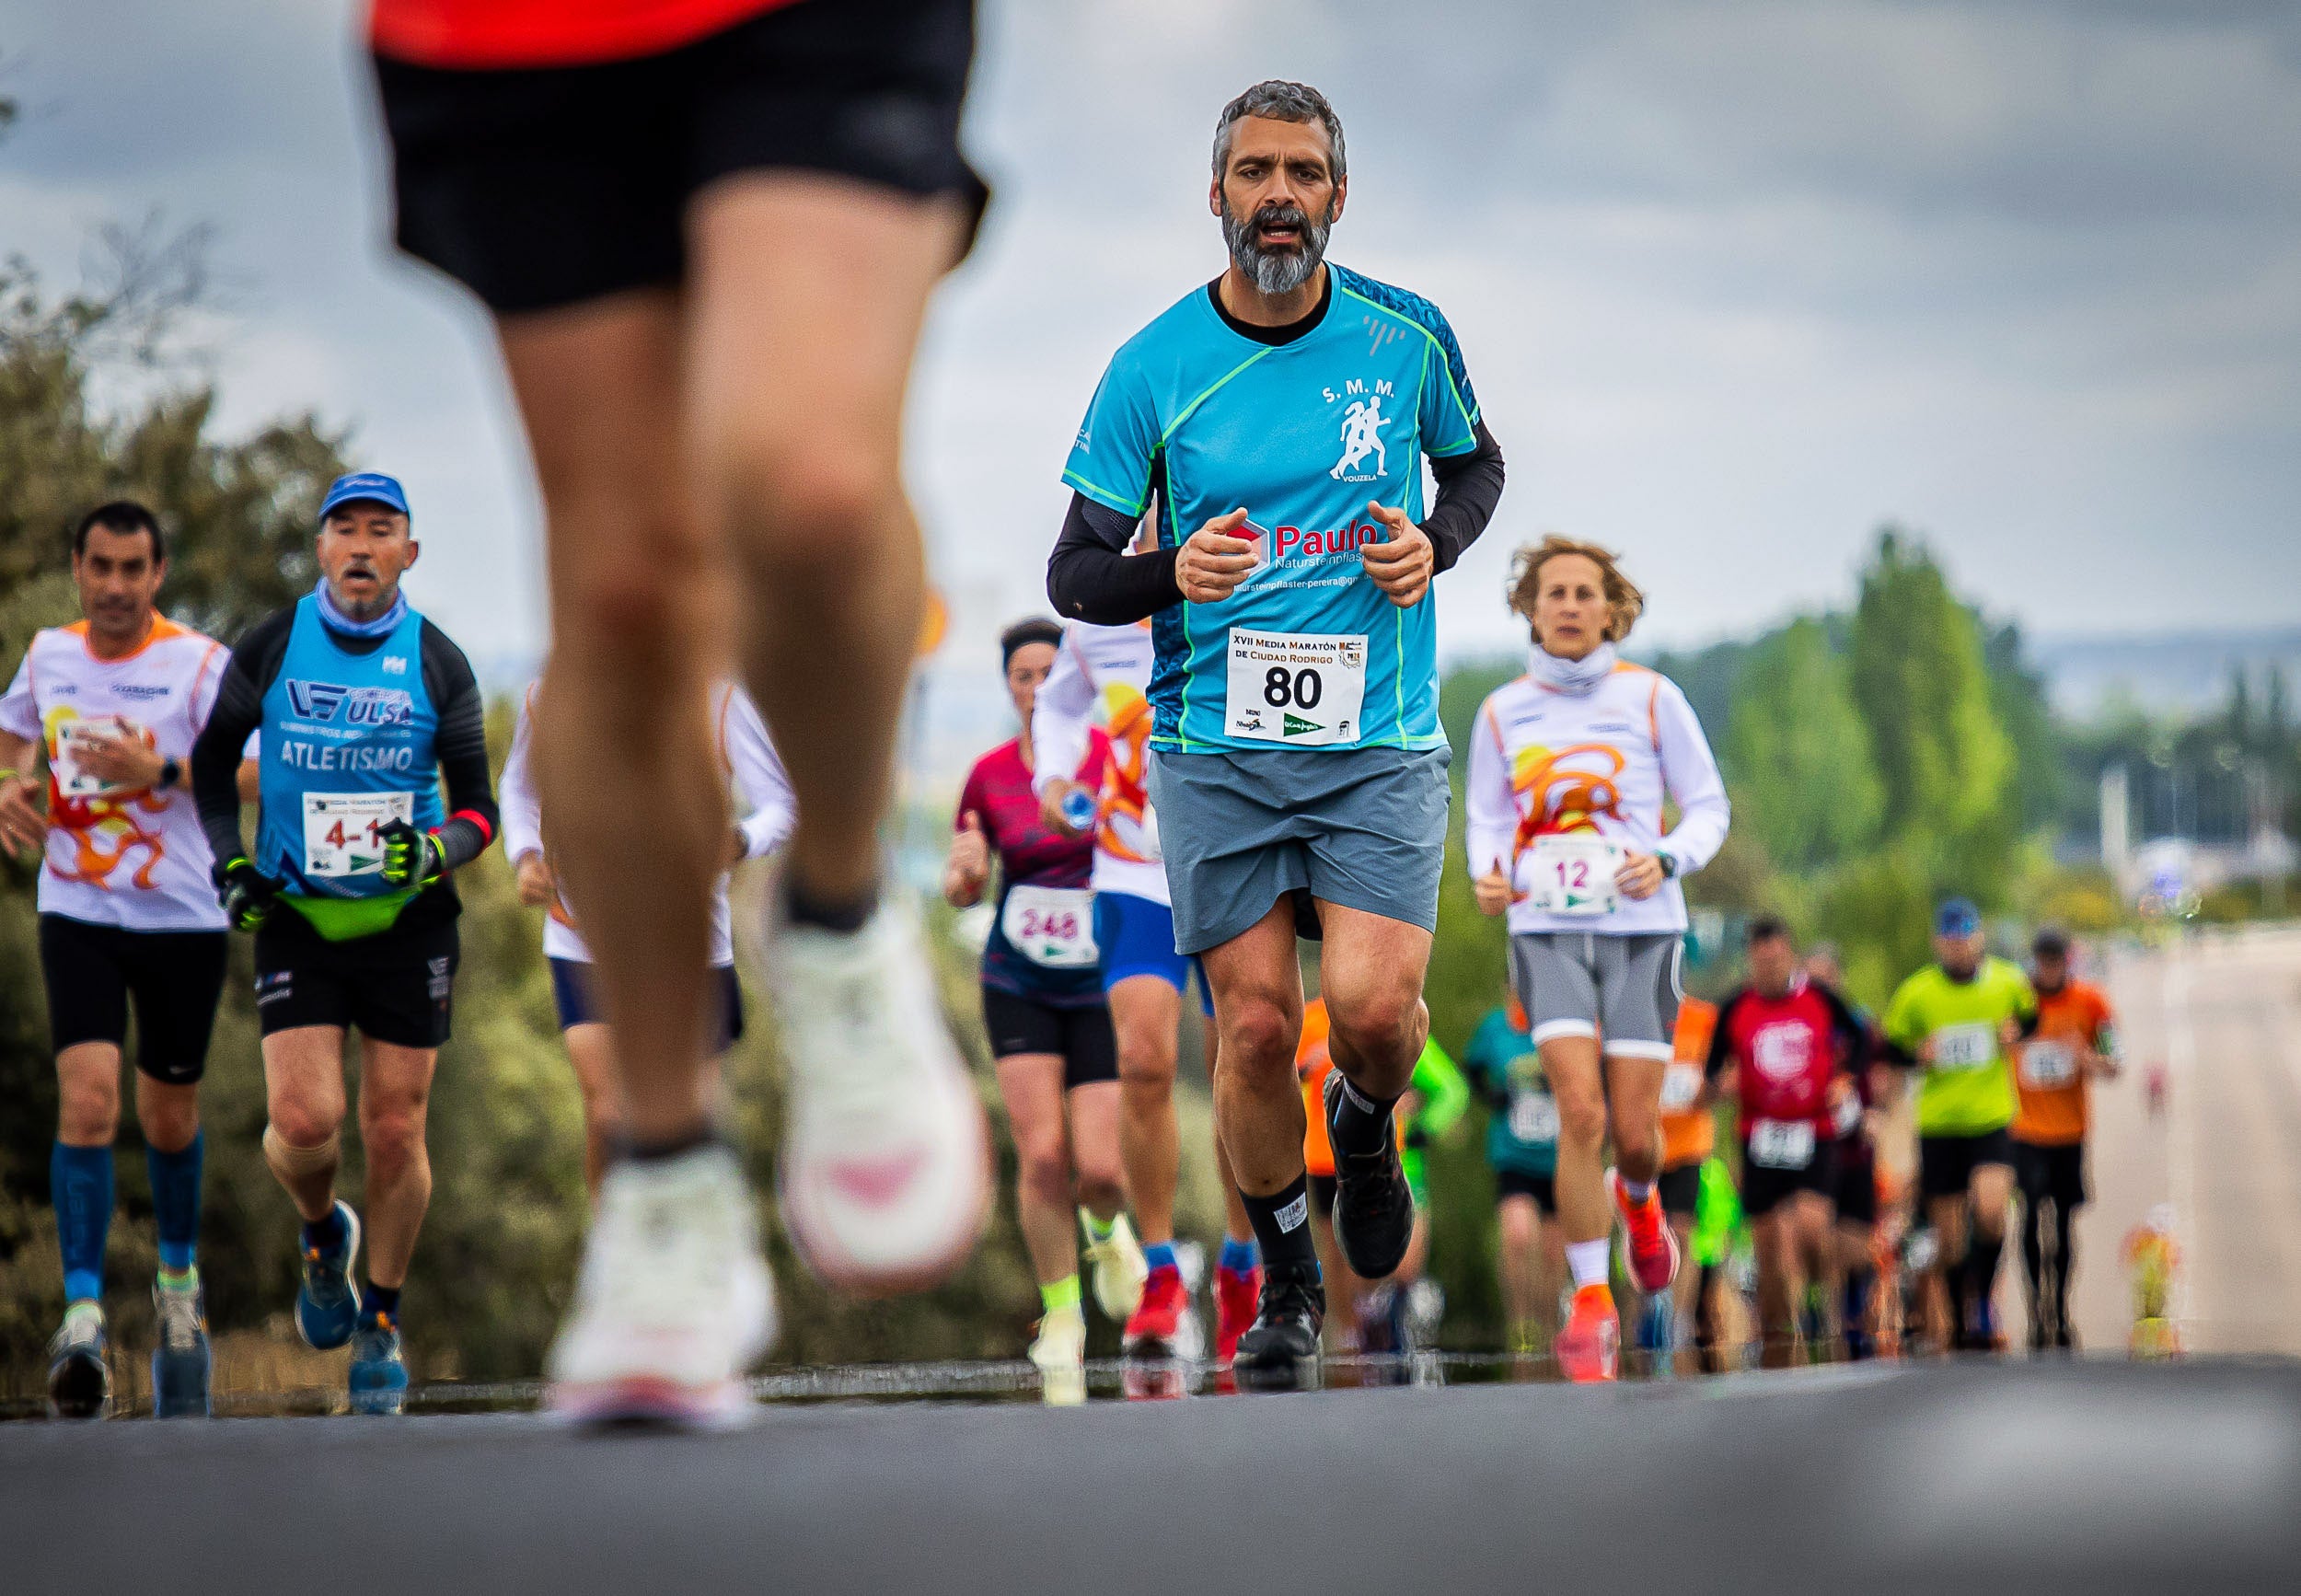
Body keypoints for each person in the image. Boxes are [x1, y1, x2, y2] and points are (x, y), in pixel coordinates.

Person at [366, 0, 996, 1422]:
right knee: (628, 593)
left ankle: (838, 924)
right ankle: (667, 1177)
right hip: (528, 37)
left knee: (808, 488)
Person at [1046, 80, 1507, 1382]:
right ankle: (1288, 1280)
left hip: (1376, 737)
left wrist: (1441, 541)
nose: (1280, 195)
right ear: (1217, 195)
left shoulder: (1405, 338)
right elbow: (1073, 574)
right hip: (1216, 746)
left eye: (1304, 172)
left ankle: (1364, 1124)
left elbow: (1476, 466)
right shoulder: (1152, 369)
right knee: (1251, 1032)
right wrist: (1167, 570)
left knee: (1371, 1012)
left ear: (1338, 198)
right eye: (1255, 171)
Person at [190, 472, 500, 1416]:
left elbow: (479, 809)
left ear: (410, 553)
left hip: (409, 925)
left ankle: (384, 1323)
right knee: (306, 1121)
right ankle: (323, 1234)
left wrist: (433, 847)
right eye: (344, 531)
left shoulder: (440, 663)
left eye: (382, 531)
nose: (362, 547)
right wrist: (231, 867)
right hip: (299, 917)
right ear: (320, 550)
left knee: (395, 1126)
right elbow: (208, 767)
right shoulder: (274, 643)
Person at [0, 503, 250, 1419]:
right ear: (78, 568)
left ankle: (177, 1289)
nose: (113, 587)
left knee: (169, 1117)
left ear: (159, 573)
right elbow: (11, 734)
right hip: (77, 908)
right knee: (89, 1101)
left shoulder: (198, 662)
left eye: (131, 569)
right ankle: (81, 1313)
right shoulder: (47, 654)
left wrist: (167, 775)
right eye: (98, 567)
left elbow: (262, 766)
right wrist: (7, 787)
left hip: (182, 913)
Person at [1466, 538, 1729, 1382]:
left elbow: (1709, 806)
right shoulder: (1504, 712)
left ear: (1613, 608)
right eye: (1554, 594)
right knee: (1579, 1115)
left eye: (1586, 593)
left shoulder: (1652, 699)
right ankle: (1591, 1300)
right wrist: (1488, 871)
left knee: (1635, 1136)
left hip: (1644, 930)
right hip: (1544, 930)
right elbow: (1484, 815)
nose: (1570, 606)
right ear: (1530, 609)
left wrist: (1669, 856)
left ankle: (1642, 1202)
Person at [1032, 613, 1262, 1361]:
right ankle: (1160, 1270)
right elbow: (1060, 705)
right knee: (1143, 1063)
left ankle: (1244, 1263)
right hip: (1132, 874)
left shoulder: (1253, 586)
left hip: (1233, 863)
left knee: (1244, 1061)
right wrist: (1055, 777)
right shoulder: (1096, 620)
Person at [501, 678, 794, 1195]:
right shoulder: (552, 693)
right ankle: (614, 1248)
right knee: (609, 1111)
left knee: (685, 1124)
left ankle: (691, 1258)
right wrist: (525, 854)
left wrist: (741, 839)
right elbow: (520, 786)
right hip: (583, 936)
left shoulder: (719, 699)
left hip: (688, 945)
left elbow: (781, 806)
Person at [944, 619, 1142, 1380]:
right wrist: (961, 877)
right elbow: (964, 884)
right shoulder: (989, 775)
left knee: (1097, 1167)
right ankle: (1061, 1315)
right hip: (1018, 978)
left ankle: (1109, 1227)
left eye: (1046, 674)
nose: (1034, 688)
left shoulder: (1107, 756)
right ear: (1008, 686)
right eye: (1021, 675)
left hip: (1099, 980)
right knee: (1042, 1155)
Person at [1706, 917, 1867, 1367]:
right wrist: (1719, 1085)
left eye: (1777, 959)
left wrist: (1844, 1078)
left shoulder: (1819, 998)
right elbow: (1712, 1067)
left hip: (1813, 1131)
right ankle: (1781, 1339)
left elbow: (1857, 1038)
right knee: (1770, 1245)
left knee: (1811, 1226)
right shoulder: (1735, 1006)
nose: (1769, 969)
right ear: (1751, 961)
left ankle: (1827, 1314)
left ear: (1789, 955)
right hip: (1760, 1138)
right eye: (1761, 962)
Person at [1879, 898, 2038, 1353]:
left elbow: (2030, 1018)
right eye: (1950, 941)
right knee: (1948, 1242)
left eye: (1966, 940)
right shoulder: (1917, 992)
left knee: (1991, 1213)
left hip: (1991, 1117)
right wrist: (1917, 1056)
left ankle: (1984, 1300)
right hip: (1940, 1123)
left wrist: (2017, 1035)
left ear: (1980, 938)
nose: (1959, 949)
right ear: (1937, 943)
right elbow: (1892, 1048)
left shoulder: (2007, 982)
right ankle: (1957, 1314)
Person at [1295, 998, 1467, 1356]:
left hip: (1396, 1159)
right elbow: (1272, 1087)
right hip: (1325, 1162)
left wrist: (1422, 1127)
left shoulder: (1383, 1010)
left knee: (1401, 1263)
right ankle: (1351, 1344)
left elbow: (1451, 1089)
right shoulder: (1307, 1019)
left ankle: (1395, 1327)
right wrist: (1301, 1071)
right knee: (1340, 1255)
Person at [2010, 926, 2118, 1351]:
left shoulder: (2091, 1002)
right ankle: (2036, 1310)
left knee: (2066, 1225)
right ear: (2035, 960)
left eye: (2058, 960)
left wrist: (2086, 1057)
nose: (2051, 968)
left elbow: (2115, 1062)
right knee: (2030, 1223)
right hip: (2025, 1129)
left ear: (2068, 961)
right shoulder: (2017, 1003)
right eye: (2044, 960)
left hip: (2070, 1132)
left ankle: (2061, 1309)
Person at [1460, 994, 1563, 1355]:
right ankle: (1522, 1327)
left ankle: (1551, 1332)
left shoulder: (1560, 1022)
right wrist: (1492, 1094)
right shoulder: (1495, 1028)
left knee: (1553, 1254)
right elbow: (1469, 1069)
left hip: (1560, 1158)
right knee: (1518, 1237)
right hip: (1513, 1154)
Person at [1805, 942, 1885, 1359]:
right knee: (1822, 1241)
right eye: (1811, 979)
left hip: (1855, 1149)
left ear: (1838, 979)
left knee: (1855, 1247)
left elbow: (1884, 1072)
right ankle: (1831, 1329)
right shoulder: (1797, 1025)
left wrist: (1877, 1114)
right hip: (1815, 1149)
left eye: (1825, 979)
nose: (1819, 988)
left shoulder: (1859, 1024)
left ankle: (1858, 1311)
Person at [1648, 990, 1717, 1368]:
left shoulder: (1705, 1017)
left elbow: (1722, 1070)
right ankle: (1640, 1320)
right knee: (1643, 1234)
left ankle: (1680, 1321)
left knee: (1682, 1231)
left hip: (1689, 1143)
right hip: (1643, 1142)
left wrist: (1707, 1088)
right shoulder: (1627, 1010)